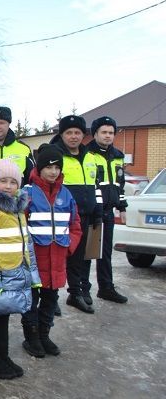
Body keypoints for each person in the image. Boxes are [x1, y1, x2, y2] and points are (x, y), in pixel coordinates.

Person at [0, 159, 40, 379]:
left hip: (13, 274)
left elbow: (26, 244)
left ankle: (3, 356)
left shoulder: (18, 209)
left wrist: (32, 275)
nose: (9, 186)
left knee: (4, 317)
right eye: (3, 181)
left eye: (13, 181)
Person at [21, 144, 82, 358]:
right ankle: (32, 337)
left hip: (57, 259)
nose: (53, 172)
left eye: (57, 167)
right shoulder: (27, 194)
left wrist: (69, 247)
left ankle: (45, 335)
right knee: (31, 300)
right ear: (39, 168)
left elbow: (75, 225)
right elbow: (19, 226)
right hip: (35, 260)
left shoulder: (66, 194)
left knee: (51, 299)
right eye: (48, 167)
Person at [50, 115, 102, 314]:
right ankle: (51, 298)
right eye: (69, 133)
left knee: (79, 259)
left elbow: (95, 186)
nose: (73, 137)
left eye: (77, 133)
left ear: (83, 135)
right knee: (56, 257)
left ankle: (75, 293)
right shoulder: (55, 155)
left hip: (85, 216)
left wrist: (97, 210)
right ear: (62, 134)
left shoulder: (90, 157)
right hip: (61, 217)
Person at [86, 116, 129, 303]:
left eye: (111, 132)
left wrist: (122, 206)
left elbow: (120, 184)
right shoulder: (87, 154)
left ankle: (106, 288)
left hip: (108, 211)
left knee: (105, 253)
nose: (108, 136)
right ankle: (82, 290)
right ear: (95, 134)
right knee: (87, 252)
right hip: (91, 211)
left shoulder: (118, 156)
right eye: (104, 132)